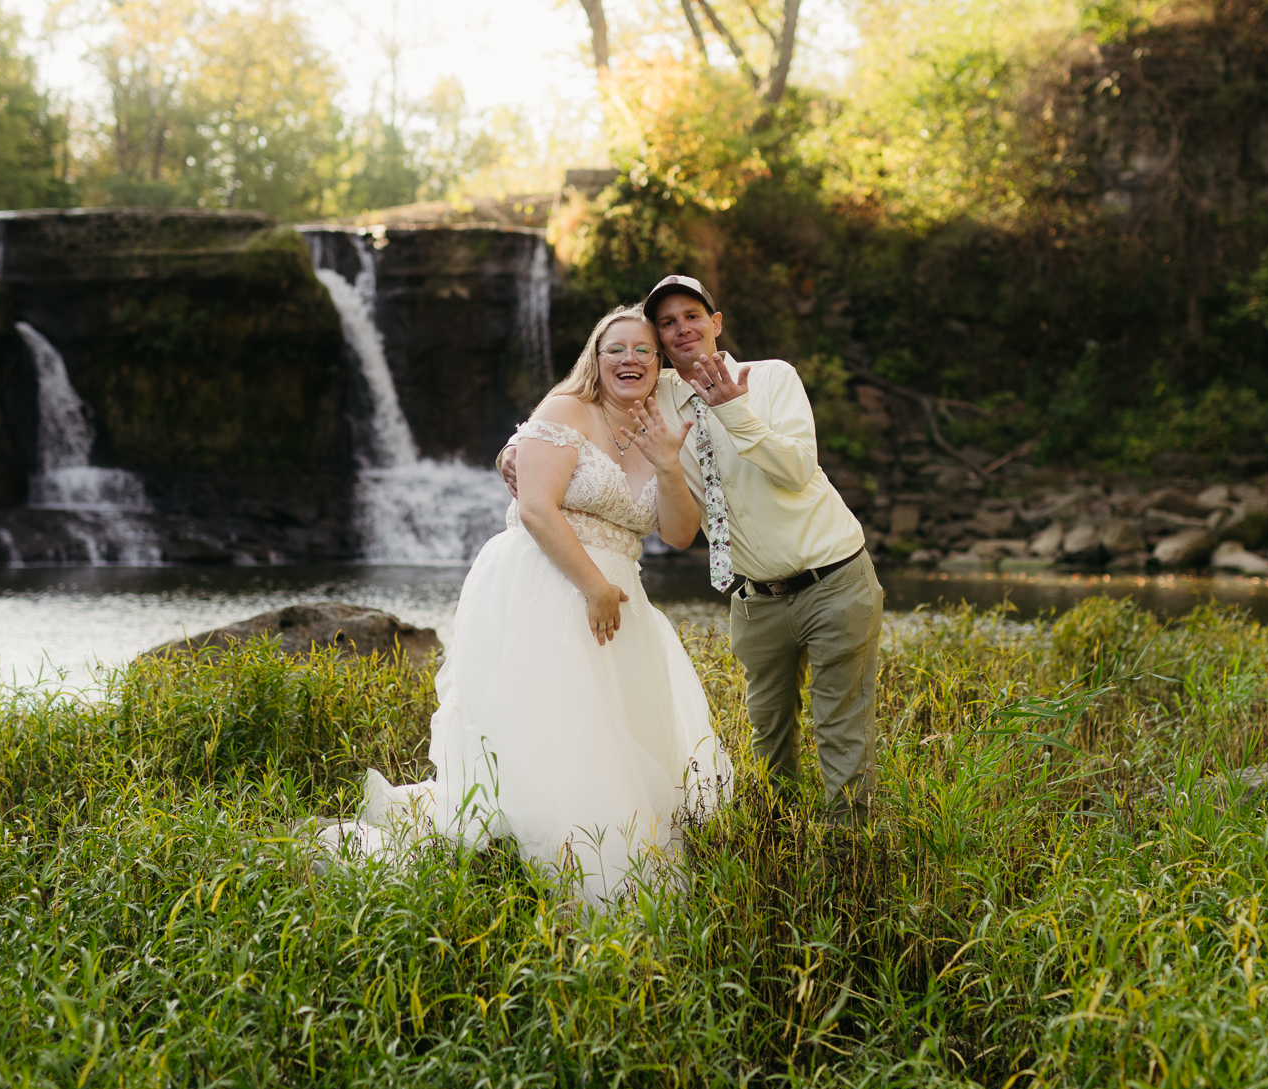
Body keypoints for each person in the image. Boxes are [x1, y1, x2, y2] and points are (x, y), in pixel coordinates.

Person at [316, 306, 730, 905]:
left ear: (659, 362)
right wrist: (592, 588)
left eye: (643, 350)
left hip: (622, 598)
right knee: (558, 724)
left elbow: (680, 534)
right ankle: (561, 859)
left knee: (614, 735)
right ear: (595, 356)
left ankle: (610, 844)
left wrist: (668, 465)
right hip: (548, 585)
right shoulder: (565, 411)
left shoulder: (661, 427)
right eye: (615, 349)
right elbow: (537, 509)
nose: (630, 360)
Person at [642, 274, 883, 825]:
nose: (682, 329)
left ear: (716, 323)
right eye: (667, 322)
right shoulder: (654, 401)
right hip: (754, 598)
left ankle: (847, 868)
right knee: (767, 735)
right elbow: (585, 394)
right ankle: (779, 851)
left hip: (834, 580)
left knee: (840, 730)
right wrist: (517, 445)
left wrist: (733, 410)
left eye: (692, 316)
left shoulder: (772, 378)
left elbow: (799, 467)